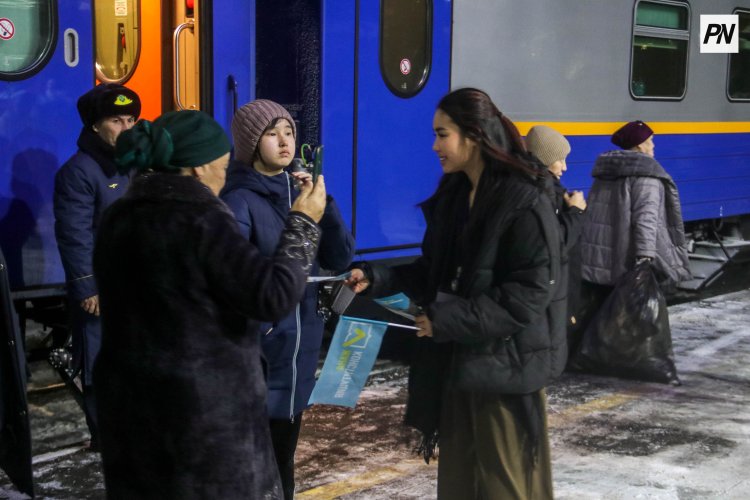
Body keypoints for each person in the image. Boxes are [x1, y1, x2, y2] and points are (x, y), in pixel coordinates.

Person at [92, 110, 327, 499]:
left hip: (132, 417)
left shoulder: (119, 217)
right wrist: (303, 222)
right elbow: (272, 296)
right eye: (222, 164)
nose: (225, 174)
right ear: (199, 167)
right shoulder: (201, 220)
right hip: (201, 423)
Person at [346, 88, 565, 499]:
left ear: (474, 135)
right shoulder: (455, 196)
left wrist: (445, 320)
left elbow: (528, 294)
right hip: (458, 364)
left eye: (442, 134)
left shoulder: (523, 200)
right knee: (461, 484)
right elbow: (434, 272)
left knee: (504, 487)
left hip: (504, 370)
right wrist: (377, 278)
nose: (434, 146)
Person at [221, 99, 355, 500]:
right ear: (250, 143)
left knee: (284, 462)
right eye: (271, 133)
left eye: (289, 132)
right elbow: (236, 281)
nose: (284, 141)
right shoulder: (239, 201)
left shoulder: (302, 193)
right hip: (263, 353)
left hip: (297, 353)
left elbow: (339, 258)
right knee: (257, 468)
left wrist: (324, 204)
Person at [53, 83, 141, 450]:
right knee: (99, 360)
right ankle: (105, 437)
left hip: (135, 282)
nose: (127, 127)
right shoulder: (79, 172)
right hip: (103, 286)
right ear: (94, 125)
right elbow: (73, 233)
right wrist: (87, 286)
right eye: (117, 121)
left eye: (131, 119)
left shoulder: (134, 164)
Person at [579, 120, 691, 306]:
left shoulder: (606, 173)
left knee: (602, 313)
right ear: (639, 144)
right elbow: (646, 220)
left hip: (598, 263)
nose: (653, 145)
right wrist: (645, 259)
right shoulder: (647, 176)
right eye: (650, 140)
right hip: (627, 264)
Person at [526, 125, 587, 344]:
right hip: (553, 292)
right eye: (560, 160)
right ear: (544, 159)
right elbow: (556, 243)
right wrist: (576, 212)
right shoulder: (545, 192)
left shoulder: (538, 186)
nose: (565, 167)